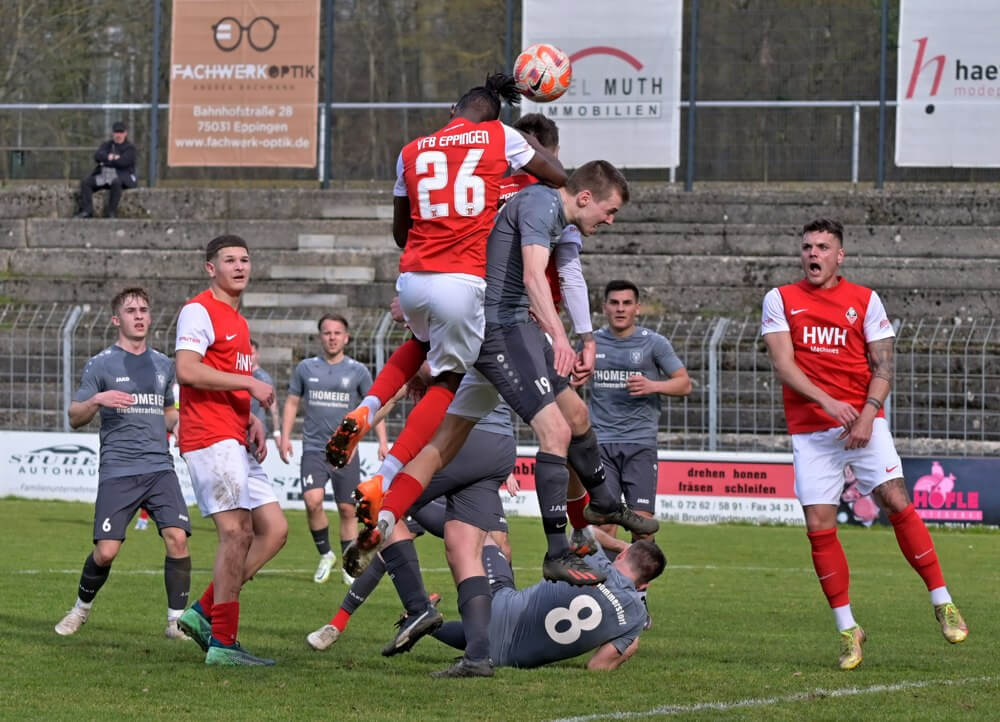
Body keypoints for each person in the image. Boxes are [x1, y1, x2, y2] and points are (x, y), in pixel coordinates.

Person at [346, 160, 659, 585]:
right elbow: (533, 276)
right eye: (610, 210)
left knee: (460, 438)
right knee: (556, 432)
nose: (609, 220)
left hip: (498, 330)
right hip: (502, 332)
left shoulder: (542, 209)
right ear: (585, 197)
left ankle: (385, 517)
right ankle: (556, 551)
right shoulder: (541, 205)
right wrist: (561, 338)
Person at [324, 74, 566, 503]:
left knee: (419, 343)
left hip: (413, 279)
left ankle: (365, 409)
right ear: (491, 118)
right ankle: (386, 475)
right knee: (449, 379)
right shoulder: (498, 135)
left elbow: (401, 232)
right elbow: (557, 175)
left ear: (452, 111)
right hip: (462, 282)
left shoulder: (411, 150)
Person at [760, 218, 968, 671]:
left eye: (822, 247)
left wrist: (868, 415)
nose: (812, 254)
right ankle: (847, 628)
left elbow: (884, 364)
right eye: (807, 247)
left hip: (865, 423)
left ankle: (942, 601)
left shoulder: (866, 300)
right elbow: (783, 364)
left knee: (895, 499)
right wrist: (829, 403)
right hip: (812, 431)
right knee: (818, 524)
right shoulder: (780, 299)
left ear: (840, 256)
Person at [173, 234, 288, 666]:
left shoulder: (238, 322)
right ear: (210, 268)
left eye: (245, 259)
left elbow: (219, 375)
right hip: (209, 437)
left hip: (234, 435)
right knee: (237, 531)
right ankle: (223, 643)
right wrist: (249, 383)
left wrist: (250, 419)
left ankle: (204, 611)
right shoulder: (198, 309)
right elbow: (186, 369)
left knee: (273, 530)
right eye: (229, 260)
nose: (240, 266)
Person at [55, 288, 191, 640]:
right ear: (117, 320)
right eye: (131, 311)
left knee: (177, 538)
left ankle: (176, 622)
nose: (139, 315)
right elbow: (74, 416)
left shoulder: (164, 364)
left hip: (159, 467)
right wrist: (98, 399)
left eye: (144, 309)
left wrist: (182, 425)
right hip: (119, 468)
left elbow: (169, 410)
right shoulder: (101, 364)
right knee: (106, 551)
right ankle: (80, 609)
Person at [427, 537, 665, 670]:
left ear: (622, 555)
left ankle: (413, 514)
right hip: (507, 659)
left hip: (499, 608)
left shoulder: (595, 560)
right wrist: (629, 647)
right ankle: (429, 624)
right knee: (493, 632)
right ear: (644, 585)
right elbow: (597, 667)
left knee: (481, 536)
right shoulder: (635, 618)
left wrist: (619, 545)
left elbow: (586, 529)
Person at [279, 313, 388, 586]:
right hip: (315, 449)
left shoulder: (358, 371)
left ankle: (348, 565)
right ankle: (326, 554)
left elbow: (375, 407)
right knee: (312, 500)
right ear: (320, 337)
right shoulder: (306, 368)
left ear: (346, 337)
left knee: (348, 510)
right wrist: (284, 436)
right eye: (327, 333)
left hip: (346, 451)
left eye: (337, 333)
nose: (332, 337)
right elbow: (292, 402)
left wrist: (383, 441)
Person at [587, 279, 691, 545]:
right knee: (604, 524)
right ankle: (605, 585)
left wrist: (653, 385)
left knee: (643, 528)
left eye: (627, 303)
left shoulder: (653, 344)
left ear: (637, 308)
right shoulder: (590, 344)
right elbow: (570, 380)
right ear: (604, 307)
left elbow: (684, 383)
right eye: (614, 303)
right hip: (601, 444)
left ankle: (638, 588)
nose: (620, 309)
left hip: (640, 444)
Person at [75, 121, 137, 219]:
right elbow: (97, 155)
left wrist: (107, 161)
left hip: (122, 177)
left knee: (116, 182)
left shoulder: (130, 148)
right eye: (116, 132)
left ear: (125, 133)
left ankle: (111, 212)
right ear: (113, 133)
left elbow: (124, 162)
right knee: (86, 182)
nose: (118, 135)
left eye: (121, 132)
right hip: (105, 176)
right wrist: (110, 157)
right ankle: (87, 211)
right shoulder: (107, 145)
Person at [249, 339, 281, 443]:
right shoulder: (241, 376)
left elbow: (274, 407)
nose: (249, 357)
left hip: (257, 433)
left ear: (257, 355)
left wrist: (277, 432)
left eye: (251, 354)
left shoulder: (263, 378)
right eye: (246, 354)